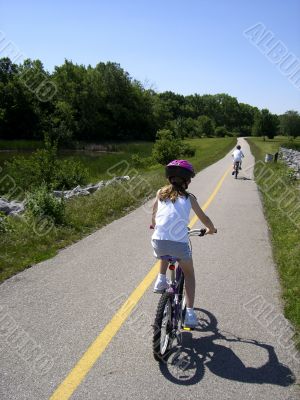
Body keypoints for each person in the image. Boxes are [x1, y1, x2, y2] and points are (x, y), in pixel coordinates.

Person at [151, 160, 217, 328]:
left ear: (169, 178)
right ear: (187, 181)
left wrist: (154, 224)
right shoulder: (189, 198)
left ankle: (160, 279)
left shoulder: (160, 193)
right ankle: (189, 313)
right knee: (189, 274)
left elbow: (154, 213)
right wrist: (211, 229)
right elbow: (204, 218)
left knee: (165, 248)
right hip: (179, 244)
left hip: (158, 241)